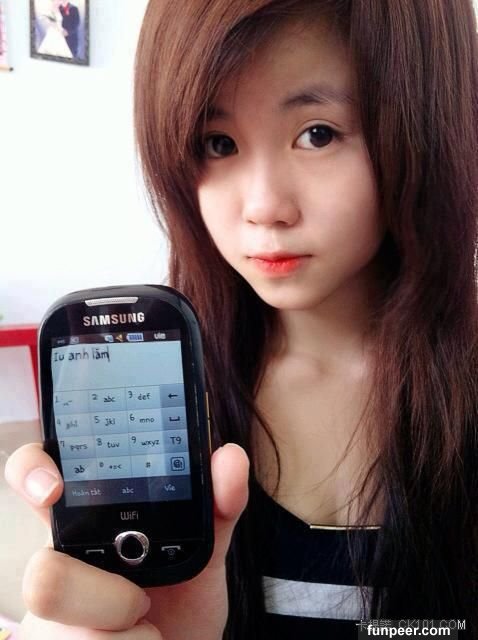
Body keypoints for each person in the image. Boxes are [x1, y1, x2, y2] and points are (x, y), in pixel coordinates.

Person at [6, 0, 478, 638]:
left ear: (426, 126)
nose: (263, 206)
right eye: (218, 143)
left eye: (318, 133)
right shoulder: (170, 397)